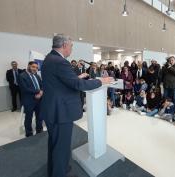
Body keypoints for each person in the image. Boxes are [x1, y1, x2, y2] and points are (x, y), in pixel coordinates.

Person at [40, 34, 112, 177]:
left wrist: (75, 77)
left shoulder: (49, 58)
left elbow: (60, 82)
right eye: (71, 46)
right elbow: (78, 85)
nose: (71, 49)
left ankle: (55, 171)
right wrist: (101, 81)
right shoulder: (60, 61)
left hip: (52, 108)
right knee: (62, 147)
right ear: (65, 45)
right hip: (60, 111)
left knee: (55, 144)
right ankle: (59, 173)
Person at [18, 61, 43, 137]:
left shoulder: (37, 76)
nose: (35, 69)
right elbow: (25, 89)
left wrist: (41, 93)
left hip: (39, 100)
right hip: (29, 100)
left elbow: (42, 85)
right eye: (33, 67)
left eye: (36, 67)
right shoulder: (22, 76)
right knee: (28, 118)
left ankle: (39, 130)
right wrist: (39, 91)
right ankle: (29, 134)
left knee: (40, 116)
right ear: (28, 66)